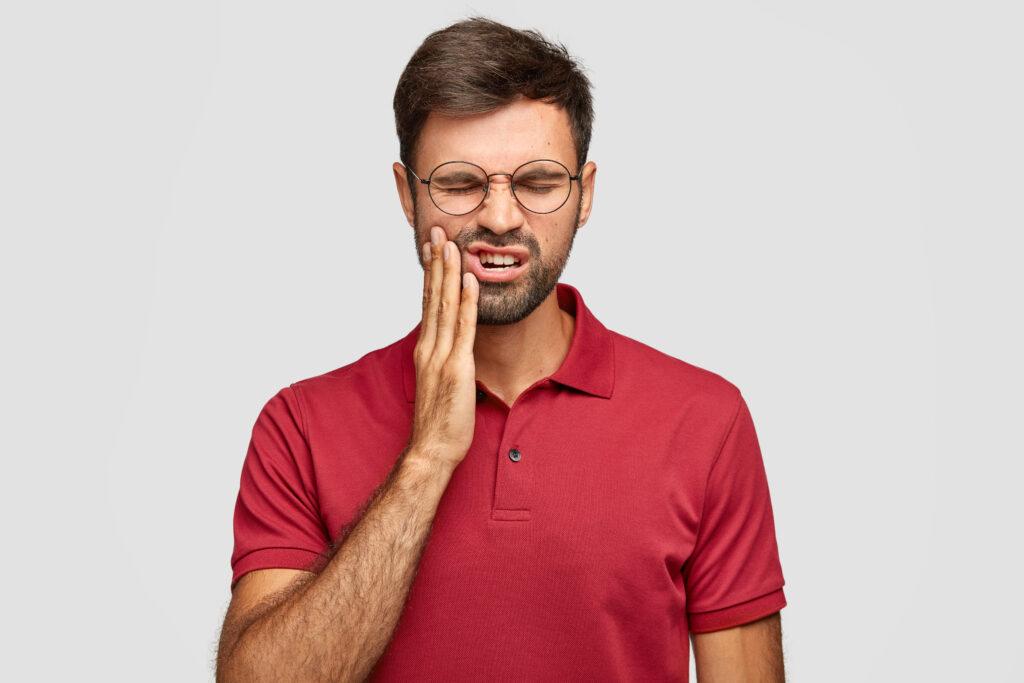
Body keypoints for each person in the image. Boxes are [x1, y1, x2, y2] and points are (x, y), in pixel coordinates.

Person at [216, 16, 787, 682]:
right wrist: (427, 458)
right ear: (407, 194)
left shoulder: (704, 419)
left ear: (585, 193)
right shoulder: (300, 424)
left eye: (538, 182)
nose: (501, 217)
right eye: (460, 184)